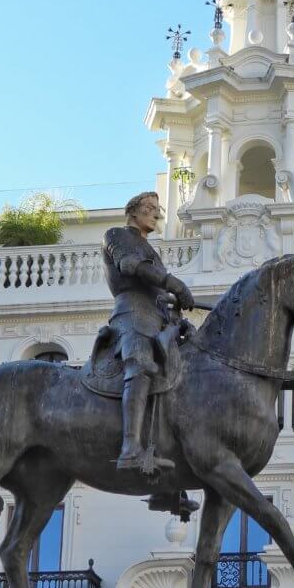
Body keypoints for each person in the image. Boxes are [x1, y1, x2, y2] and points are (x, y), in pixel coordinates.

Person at [102, 191, 194, 472]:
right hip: (132, 313)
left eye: (157, 210)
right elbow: (129, 266)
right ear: (133, 211)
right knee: (140, 366)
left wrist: (177, 317)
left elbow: (158, 292)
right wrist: (174, 284)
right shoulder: (116, 234)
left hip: (158, 317)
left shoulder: (152, 250)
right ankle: (130, 448)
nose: (155, 214)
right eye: (149, 208)